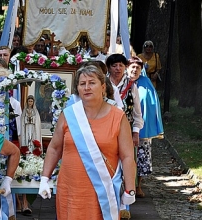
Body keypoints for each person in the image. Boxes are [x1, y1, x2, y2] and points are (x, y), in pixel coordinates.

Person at [38, 65, 136, 219]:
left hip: (102, 190)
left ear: (103, 87)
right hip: (70, 189)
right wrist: (44, 178)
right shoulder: (69, 115)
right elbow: (54, 148)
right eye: (82, 84)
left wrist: (130, 189)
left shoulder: (118, 117)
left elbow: (127, 156)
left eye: (92, 83)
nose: (87, 87)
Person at [106, 53, 144, 218]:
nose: (118, 68)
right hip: (105, 131)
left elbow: (137, 113)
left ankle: (124, 206)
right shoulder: (103, 84)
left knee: (126, 167)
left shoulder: (131, 86)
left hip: (125, 131)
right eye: (114, 65)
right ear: (109, 68)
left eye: (121, 65)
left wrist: (135, 132)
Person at [127, 56, 164, 198]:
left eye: (138, 67)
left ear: (141, 70)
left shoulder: (146, 83)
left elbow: (152, 104)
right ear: (127, 68)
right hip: (123, 125)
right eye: (132, 67)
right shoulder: (122, 83)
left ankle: (138, 185)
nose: (135, 70)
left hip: (141, 127)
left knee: (140, 157)